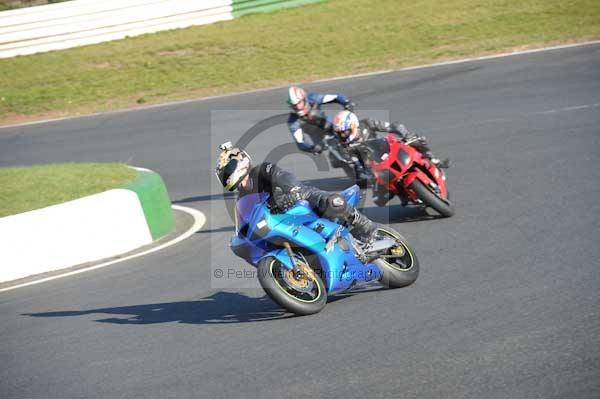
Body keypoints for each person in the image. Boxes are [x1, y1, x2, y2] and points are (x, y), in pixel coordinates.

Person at [215, 141, 378, 243]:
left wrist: (292, 190)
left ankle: (365, 226)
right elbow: (245, 222)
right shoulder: (242, 199)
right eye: (224, 175)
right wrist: (241, 237)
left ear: (240, 161)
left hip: (301, 198)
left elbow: (283, 176)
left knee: (333, 202)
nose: (227, 176)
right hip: (281, 221)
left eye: (228, 170)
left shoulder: (262, 170)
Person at [332, 110, 450, 168]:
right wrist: (344, 162)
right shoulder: (342, 145)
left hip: (387, 149)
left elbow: (391, 126)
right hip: (373, 167)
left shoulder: (367, 123)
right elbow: (342, 161)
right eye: (340, 133)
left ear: (354, 125)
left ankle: (434, 160)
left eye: (345, 132)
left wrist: (404, 134)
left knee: (417, 139)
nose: (343, 135)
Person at [287, 86, 356, 154]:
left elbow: (336, 97)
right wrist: (311, 148)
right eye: (294, 105)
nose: (297, 107)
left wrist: (346, 102)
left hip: (327, 123)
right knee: (335, 160)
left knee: (344, 131)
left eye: (299, 103)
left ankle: (359, 139)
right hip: (316, 136)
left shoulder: (312, 98)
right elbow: (300, 143)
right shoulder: (292, 120)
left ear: (304, 99)